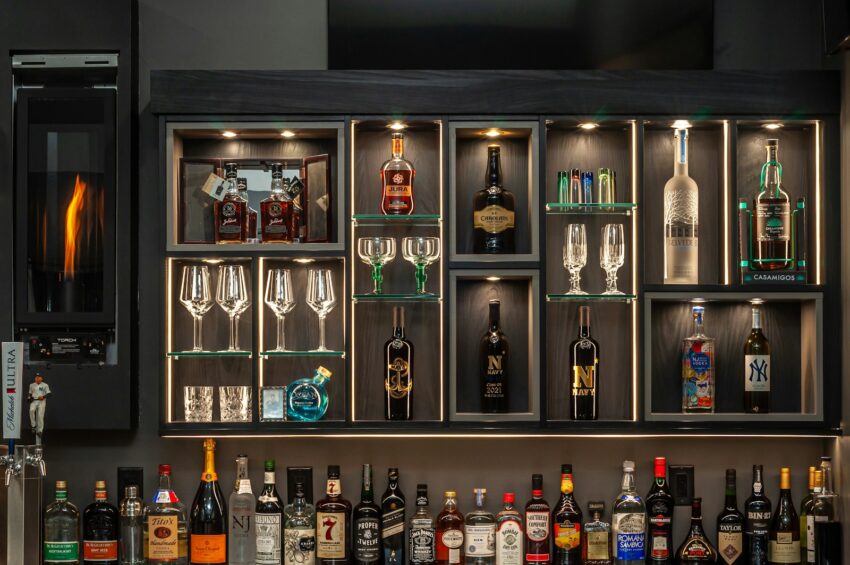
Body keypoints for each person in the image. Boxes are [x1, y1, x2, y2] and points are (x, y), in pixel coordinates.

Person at [28, 373, 51, 443]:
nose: (37, 378)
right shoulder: (32, 385)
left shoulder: (45, 385)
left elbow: (49, 394)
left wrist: (43, 396)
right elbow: (30, 393)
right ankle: (33, 426)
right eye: (36, 377)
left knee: (40, 416)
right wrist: (29, 397)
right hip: (34, 400)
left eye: (39, 377)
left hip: (42, 401)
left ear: (41, 378)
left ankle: (40, 431)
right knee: (31, 410)